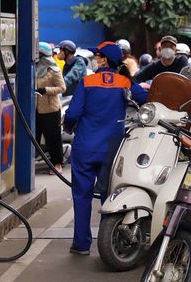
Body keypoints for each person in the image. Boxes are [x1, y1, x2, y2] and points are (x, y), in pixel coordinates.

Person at [63, 42, 147, 255]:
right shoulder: (124, 82)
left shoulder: (87, 81)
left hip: (85, 147)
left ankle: (81, 245)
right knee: (110, 196)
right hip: (113, 148)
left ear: (104, 59)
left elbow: (72, 113)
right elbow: (145, 99)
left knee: (81, 196)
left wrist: (69, 127)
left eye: (97, 56)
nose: (95, 59)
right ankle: (107, 243)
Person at [35, 42, 66, 174]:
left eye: (39, 54)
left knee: (53, 138)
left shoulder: (54, 70)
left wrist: (45, 90)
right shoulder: (33, 68)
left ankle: (57, 164)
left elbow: (62, 88)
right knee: (33, 137)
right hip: (35, 109)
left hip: (51, 110)